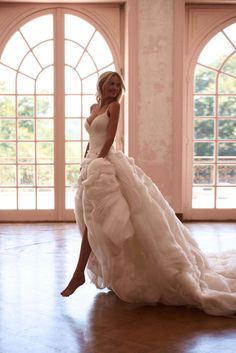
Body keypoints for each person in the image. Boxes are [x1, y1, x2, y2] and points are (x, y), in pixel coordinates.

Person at [61, 71, 236, 316]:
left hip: (105, 166)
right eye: (110, 84)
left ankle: (78, 274)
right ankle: (104, 272)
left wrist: (97, 163)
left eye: (117, 84)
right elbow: (92, 139)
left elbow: (109, 138)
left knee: (101, 219)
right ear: (101, 84)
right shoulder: (94, 107)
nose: (114, 88)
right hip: (91, 164)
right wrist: (85, 161)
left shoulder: (114, 107)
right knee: (93, 219)